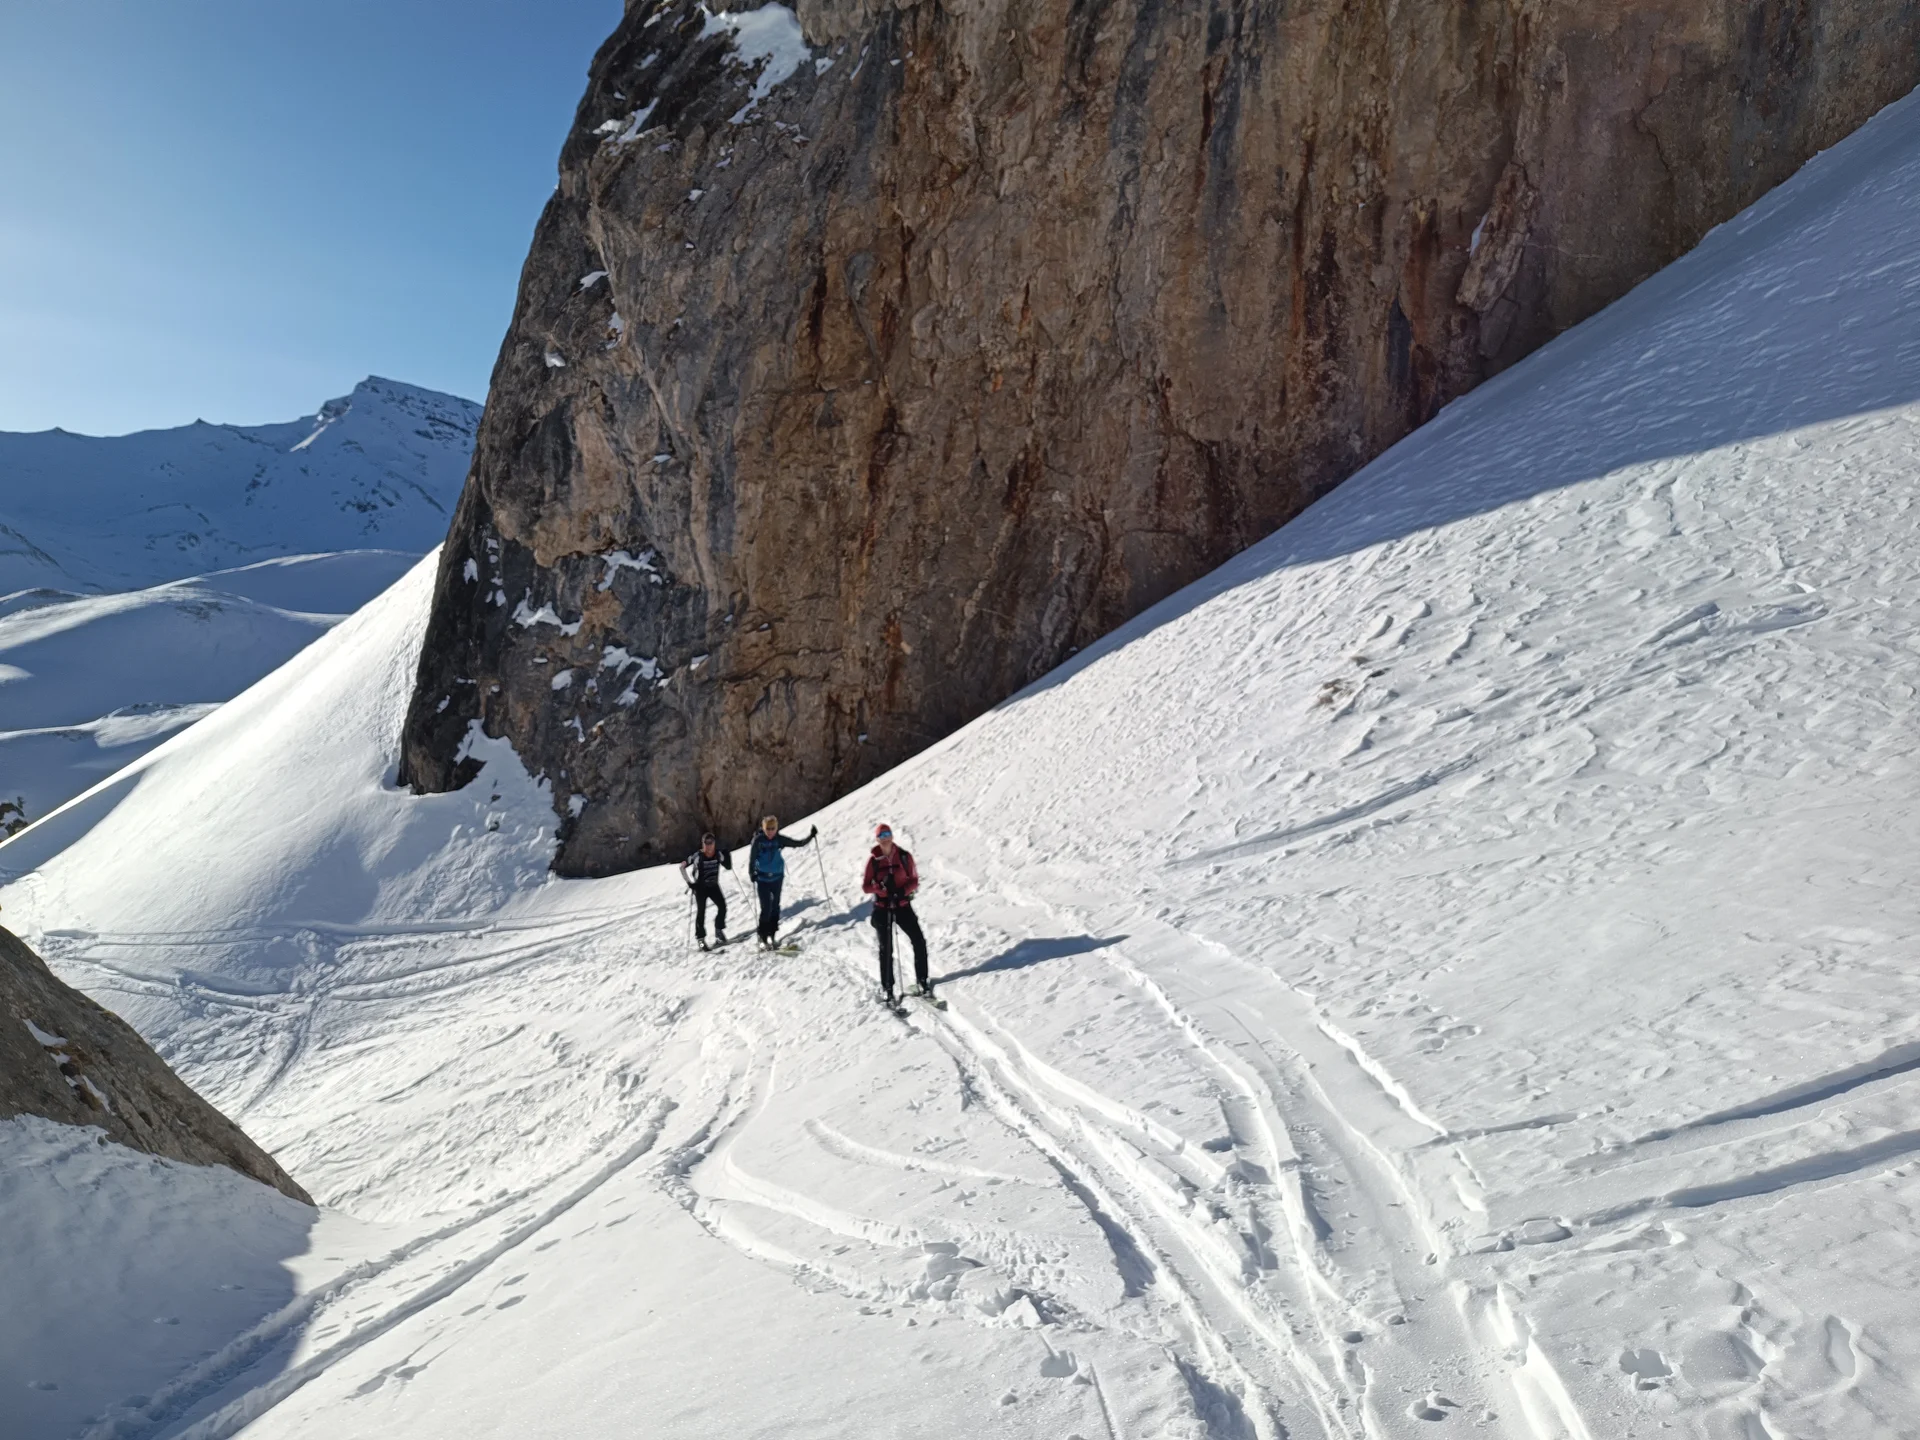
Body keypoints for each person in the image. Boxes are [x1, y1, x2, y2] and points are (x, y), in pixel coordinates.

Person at [861, 823, 929, 1003]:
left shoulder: (904, 857)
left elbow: (914, 880)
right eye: (881, 835)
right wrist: (880, 889)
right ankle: (887, 988)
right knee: (886, 948)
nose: (885, 838)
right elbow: (866, 886)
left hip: (902, 905)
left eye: (888, 834)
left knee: (919, 941)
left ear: (892, 836)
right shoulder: (874, 861)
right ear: (877, 839)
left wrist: (902, 891)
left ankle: (922, 980)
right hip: (882, 908)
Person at [747, 815, 818, 949]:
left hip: (777, 878)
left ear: (776, 828)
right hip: (762, 879)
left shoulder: (779, 839)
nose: (770, 831)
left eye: (773, 828)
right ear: (764, 828)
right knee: (766, 908)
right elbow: (752, 858)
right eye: (768, 828)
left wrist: (811, 836)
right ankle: (763, 936)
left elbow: (798, 843)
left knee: (775, 907)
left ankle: (772, 934)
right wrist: (752, 873)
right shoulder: (758, 840)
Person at [680, 832, 731, 948]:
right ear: (702, 844)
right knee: (701, 912)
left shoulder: (718, 854)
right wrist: (690, 883)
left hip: (713, 886)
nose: (708, 846)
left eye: (711, 843)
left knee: (722, 907)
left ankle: (718, 930)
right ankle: (701, 939)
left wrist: (728, 857)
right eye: (706, 843)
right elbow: (682, 866)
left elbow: (727, 865)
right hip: (700, 888)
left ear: (714, 843)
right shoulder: (697, 856)